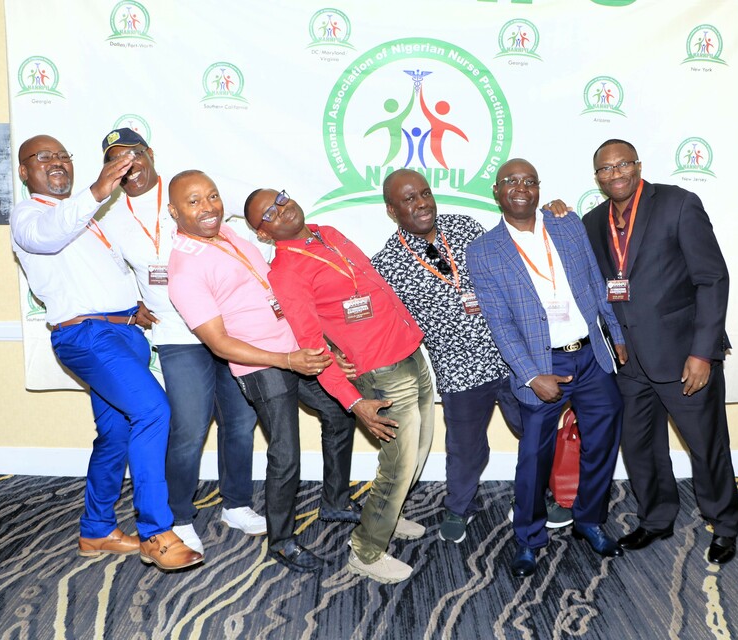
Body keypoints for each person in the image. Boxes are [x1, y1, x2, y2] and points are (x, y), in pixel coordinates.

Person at [10, 134, 201, 571]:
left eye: (63, 155)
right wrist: (97, 190)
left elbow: (92, 273)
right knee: (153, 411)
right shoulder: (29, 215)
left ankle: (96, 529)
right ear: (24, 171)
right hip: (89, 337)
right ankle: (156, 532)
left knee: (115, 435)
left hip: (121, 332)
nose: (57, 162)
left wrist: (132, 306)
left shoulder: (87, 218)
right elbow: (48, 237)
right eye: (44, 157)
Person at [165, 170, 358, 573]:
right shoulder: (184, 271)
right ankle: (282, 542)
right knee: (285, 454)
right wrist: (286, 361)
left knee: (340, 412)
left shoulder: (227, 234)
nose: (208, 207)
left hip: (295, 349)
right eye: (194, 201)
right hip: (262, 366)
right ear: (174, 211)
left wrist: (317, 346)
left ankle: (335, 502)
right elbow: (219, 343)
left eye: (212, 196)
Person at [245, 188, 433, 584]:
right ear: (263, 233)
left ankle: (386, 515)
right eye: (270, 214)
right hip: (380, 371)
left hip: (408, 347)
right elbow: (311, 346)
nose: (282, 209)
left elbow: (365, 288)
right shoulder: (286, 272)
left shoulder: (327, 232)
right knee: (398, 465)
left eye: (281, 199)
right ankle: (366, 551)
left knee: (419, 448)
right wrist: (353, 402)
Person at [98, 128, 265, 555]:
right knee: (189, 428)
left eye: (134, 154)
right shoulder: (111, 218)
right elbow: (111, 271)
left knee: (240, 421)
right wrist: (130, 303)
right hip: (176, 335)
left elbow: (244, 224)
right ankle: (180, 516)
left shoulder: (187, 192)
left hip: (228, 327)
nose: (128, 165)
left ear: (150, 153)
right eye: (116, 159)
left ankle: (237, 503)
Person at [581, 139, 738, 565]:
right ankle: (656, 518)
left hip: (684, 356)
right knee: (640, 448)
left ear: (638, 166)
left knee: (706, 446)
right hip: (628, 362)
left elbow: (712, 280)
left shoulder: (678, 204)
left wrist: (702, 353)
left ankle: (725, 523)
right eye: (605, 169)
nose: (615, 174)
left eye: (623, 164)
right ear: (597, 177)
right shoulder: (592, 221)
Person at [466, 158, 627, 578]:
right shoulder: (483, 251)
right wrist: (531, 375)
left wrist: (616, 335)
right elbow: (499, 321)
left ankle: (589, 520)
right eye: (511, 181)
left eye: (529, 181)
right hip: (541, 364)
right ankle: (528, 538)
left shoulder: (566, 224)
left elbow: (594, 283)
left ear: (538, 188)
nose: (521, 187)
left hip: (591, 357)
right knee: (534, 458)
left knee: (603, 441)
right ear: (497, 191)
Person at [370, 168, 527, 545]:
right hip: (458, 369)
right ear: (392, 210)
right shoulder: (386, 264)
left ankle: (537, 494)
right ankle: (459, 507)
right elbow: (381, 324)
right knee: (465, 447)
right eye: (409, 199)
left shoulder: (465, 227)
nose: (422, 203)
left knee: (533, 430)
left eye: (425, 193)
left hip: (510, 354)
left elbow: (509, 268)